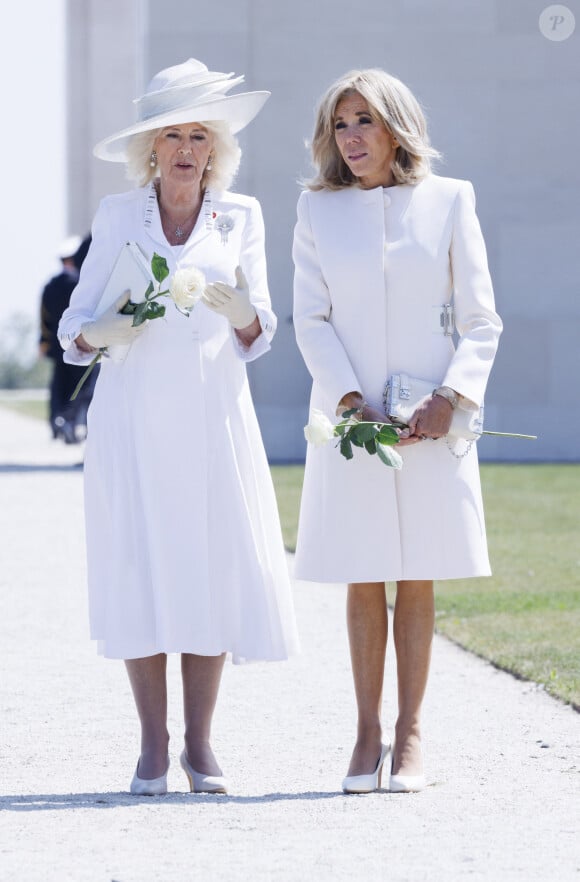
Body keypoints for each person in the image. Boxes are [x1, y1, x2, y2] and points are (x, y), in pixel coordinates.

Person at [58, 58, 299, 795]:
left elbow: (262, 330)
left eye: (200, 134)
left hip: (211, 418)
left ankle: (200, 745)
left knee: (208, 572)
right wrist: (102, 329)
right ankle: (152, 746)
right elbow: (73, 329)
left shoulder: (242, 215)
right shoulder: (116, 216)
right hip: (132, 421)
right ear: (151, 148)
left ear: (215, 148)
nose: (187, 147)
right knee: (139, 568)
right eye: (173, 135)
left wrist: (245, 315)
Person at [292, 68, 502, 794]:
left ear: (396, 128)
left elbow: (482, 319)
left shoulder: (449, 201)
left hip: (430, 424)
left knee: (417, 573)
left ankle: (411, 732)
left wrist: (453, 396)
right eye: (341, 123)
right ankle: (365, 733)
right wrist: (349, 400)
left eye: (366, 122)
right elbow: (311, 320)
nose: (352, 137)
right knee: (362, 570)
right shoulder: (316, 212)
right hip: (355, 424)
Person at [39, 234, 96, 443]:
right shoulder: (80, 284)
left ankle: (58, 419)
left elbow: (44, 317)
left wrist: (44, 342)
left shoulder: (50, 285)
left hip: (56, 345)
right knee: (83, 386)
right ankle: (70, 419)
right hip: (80, 342)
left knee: (59, 386)